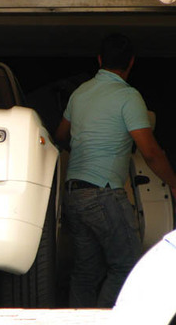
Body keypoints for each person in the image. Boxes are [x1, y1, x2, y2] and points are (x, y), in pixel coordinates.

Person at [55, 33, 176, 308]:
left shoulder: (80, 93)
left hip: (74, 194)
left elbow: (61, 135)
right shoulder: (128, 96)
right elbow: (151, 153)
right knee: (126, 266)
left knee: (86, 272)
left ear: (99, 60)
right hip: (103, 194)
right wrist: (173, 182)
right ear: (131, 62)